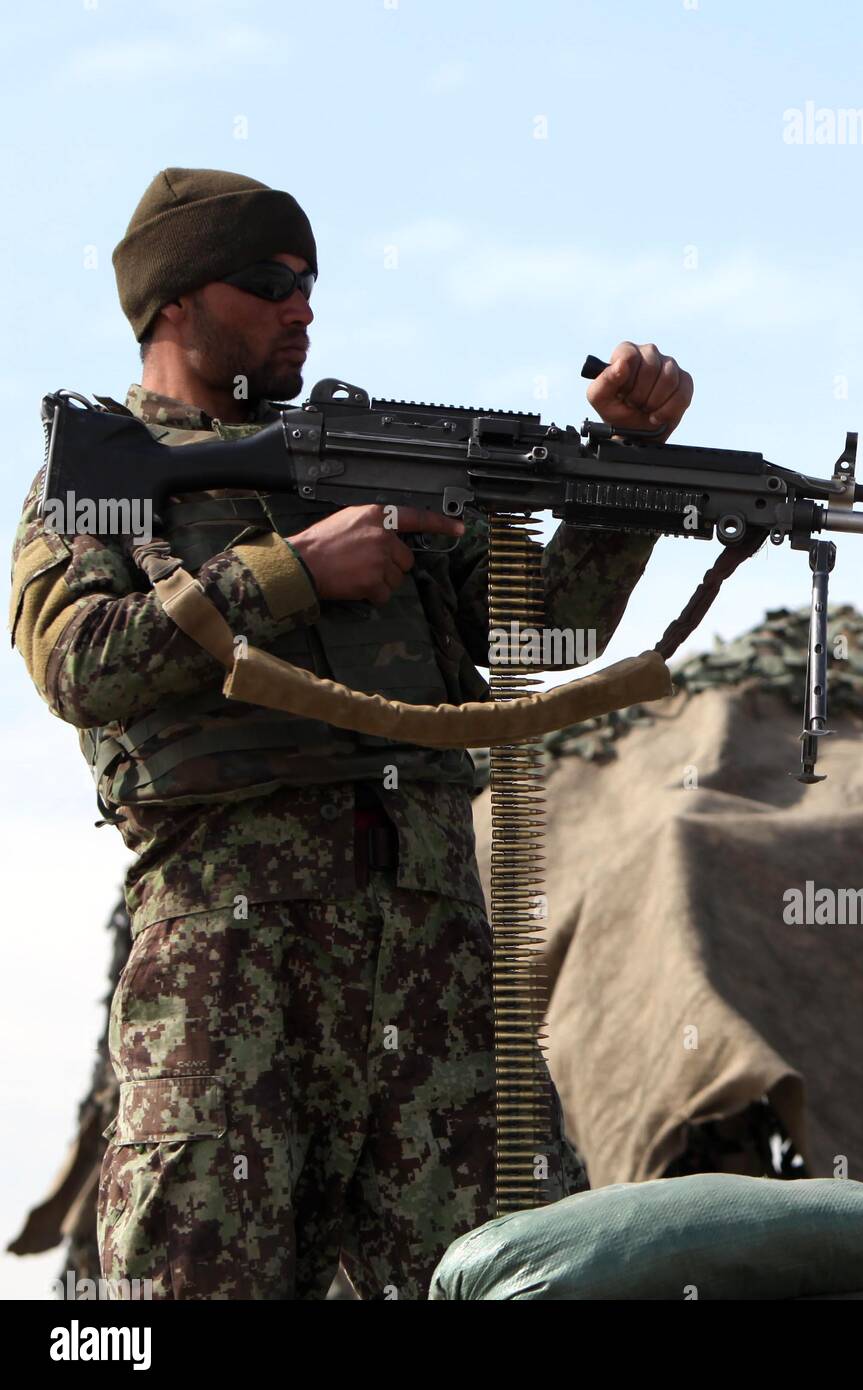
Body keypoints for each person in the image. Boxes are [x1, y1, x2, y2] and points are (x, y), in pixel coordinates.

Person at [9, 167, 695, 1300]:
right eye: (268, 281)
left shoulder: (375, 455)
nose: (303, 307)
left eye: (310, 282)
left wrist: (622, 475)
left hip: (436, 954)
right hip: (229, 958)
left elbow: (547, 625)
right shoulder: (106, 473)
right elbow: (80, 661)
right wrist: (291, 570)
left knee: (528, 1272)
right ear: (172, 303)